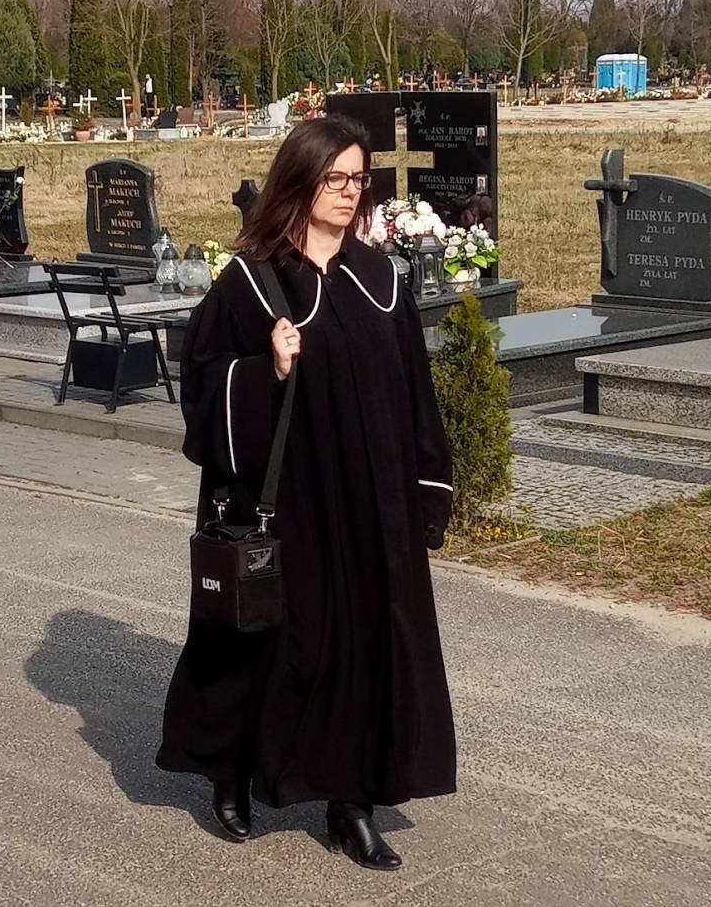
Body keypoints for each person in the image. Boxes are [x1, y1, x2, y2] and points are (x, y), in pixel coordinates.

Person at [157, 116, 456, 871]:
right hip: (282, 503)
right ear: (303, 180)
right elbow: (200, 386)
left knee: (365, 646)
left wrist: (427, 483)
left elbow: (415, 393)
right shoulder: (252, 281)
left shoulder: (380, 279)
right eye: (339, 178)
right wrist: (267, 372)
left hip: (368, 507)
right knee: (266, 643)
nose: (354, 192)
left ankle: (350, 805)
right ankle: (230, 775)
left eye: (362, 179)